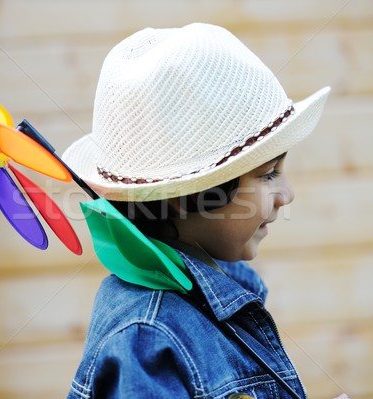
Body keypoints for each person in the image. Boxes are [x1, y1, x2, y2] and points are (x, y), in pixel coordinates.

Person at [63, 23, 340, 399]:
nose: (286, 194)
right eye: (268, 174)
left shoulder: (218, 287)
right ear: (190, 195)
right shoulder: (146, 338)